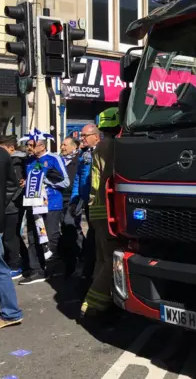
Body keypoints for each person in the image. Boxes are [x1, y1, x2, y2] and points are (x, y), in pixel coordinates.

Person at [80, 108, 121, 321]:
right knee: (112, 260)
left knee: (101, 258)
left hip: (97, 211)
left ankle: (103, 299)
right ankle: (94, 304)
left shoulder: (100, 147)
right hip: (108, 211)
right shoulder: (115, 145)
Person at [19, 129, 70, 285]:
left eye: (31, 145)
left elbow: (66, 182)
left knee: (51, 236)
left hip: (52, 203)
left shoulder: (54, 159)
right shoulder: (28, 161)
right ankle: (36, 270)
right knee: (33, 236)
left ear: (41, 145)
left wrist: (44, 180)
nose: (29, 148)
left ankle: (53, 267)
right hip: (34, 204)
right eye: (27, 145)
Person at [0, 139, 22, 330]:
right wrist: (0, 204)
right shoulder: (1, 154)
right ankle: (11, 312)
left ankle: (11, 312)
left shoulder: (0, 154)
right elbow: (13, 184)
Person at [71, 123, 101, 282]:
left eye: (84, 136)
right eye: (81, 136)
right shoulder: (84, 155)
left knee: (96, 236)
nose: (81, 138)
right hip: (86, 202)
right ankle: (89, 269)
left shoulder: (104, 152)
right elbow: (78, 178)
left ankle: (93, 269)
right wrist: (75, 200)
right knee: (91, 234)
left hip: (99, 202)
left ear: (96, 137)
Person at [0, 135, 27, 279]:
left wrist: (4, 201)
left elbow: (15, 185)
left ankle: (15, 265)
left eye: (2, 149)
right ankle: (24, 261)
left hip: (12, 206)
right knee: (11, 236)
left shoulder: (16, 162)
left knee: (11, 237)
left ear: (11, 148)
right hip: (6, 205)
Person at [60, 136, 81, 277]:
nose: (62, 147)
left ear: (74, 147)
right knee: (65, 228)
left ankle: (75, 259)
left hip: (74, 198)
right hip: (60, 199)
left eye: (65, 145)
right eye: (62, 144)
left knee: (70, 225)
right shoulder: (59, 160)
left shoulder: (79, 160)